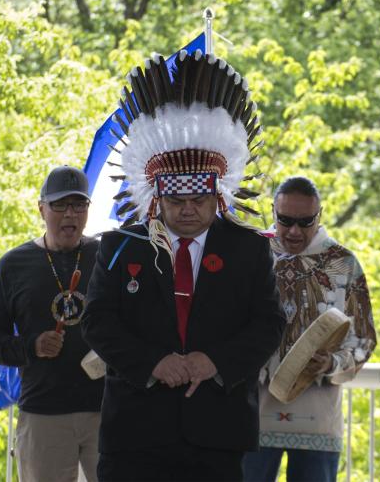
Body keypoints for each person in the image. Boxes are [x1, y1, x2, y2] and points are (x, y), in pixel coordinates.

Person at [80, 49, 286, 481]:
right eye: (176, 201)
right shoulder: (122, 246)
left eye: (199, 200)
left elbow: (268, 324)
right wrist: (153, 362)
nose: (188, 210)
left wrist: (214, 362)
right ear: (157, 198)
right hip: (135, 434)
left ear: (219, 197)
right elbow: (98, 321)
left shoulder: (248, 250)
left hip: (219, 433)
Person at [243, 176, 377, 482]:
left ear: (320, 216)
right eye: (285, 220)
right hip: (250, 415)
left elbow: (363, 338)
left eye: (305, 222)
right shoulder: (252, 256)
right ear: (272, 212)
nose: (294, 231)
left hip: (317, 417)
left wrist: (332, 363)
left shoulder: (343, 264)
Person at [0, 165, 103, 482]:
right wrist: (30, 347)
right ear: (41, 209)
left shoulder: (106, 257)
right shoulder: (14, 265)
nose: (70, 215)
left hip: (106, 410)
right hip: (43, 412)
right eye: (60, 205)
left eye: (79, 205)